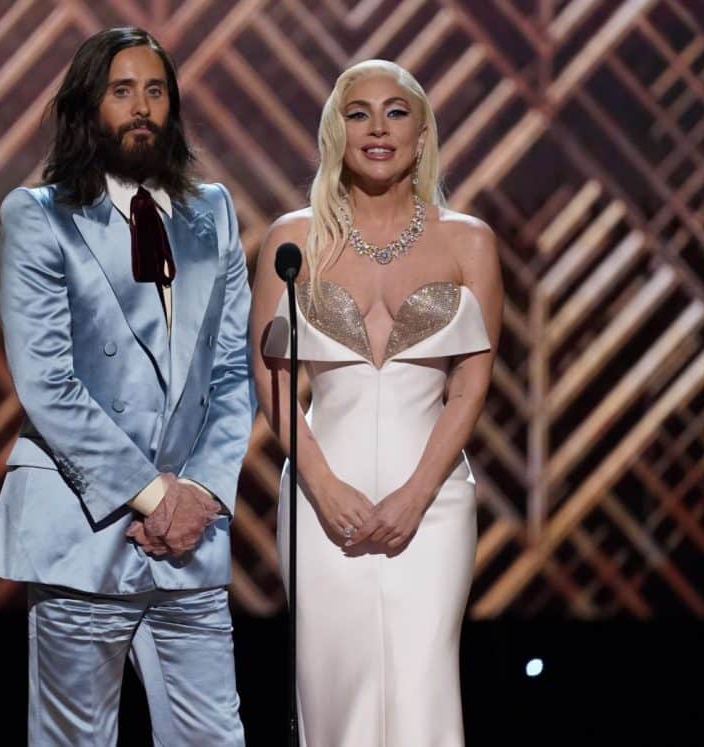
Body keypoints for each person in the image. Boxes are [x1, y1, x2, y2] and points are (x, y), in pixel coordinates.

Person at [0, 27, 251, 746]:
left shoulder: (212, 213)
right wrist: (157, 495)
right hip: (84, 525)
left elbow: (230, 374)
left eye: (155, 91)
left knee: (214, 737)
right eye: (122, 91)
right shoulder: (38, 217)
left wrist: (201, 494)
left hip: (191, 535)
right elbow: (48, 385)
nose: (141, 108)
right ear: (87, 106)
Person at [250, 60, 503, 746]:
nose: (377, 128)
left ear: (422, 135)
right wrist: (324, 487)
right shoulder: (293, 241)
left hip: (435, 503)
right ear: (338, 132)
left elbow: (470, 385)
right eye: (358, 113)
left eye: (395, 111)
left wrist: (416, 495)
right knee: (336, 691)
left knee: (421, 683)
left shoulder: (468, 240)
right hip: (318, 498)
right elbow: (270, 376)